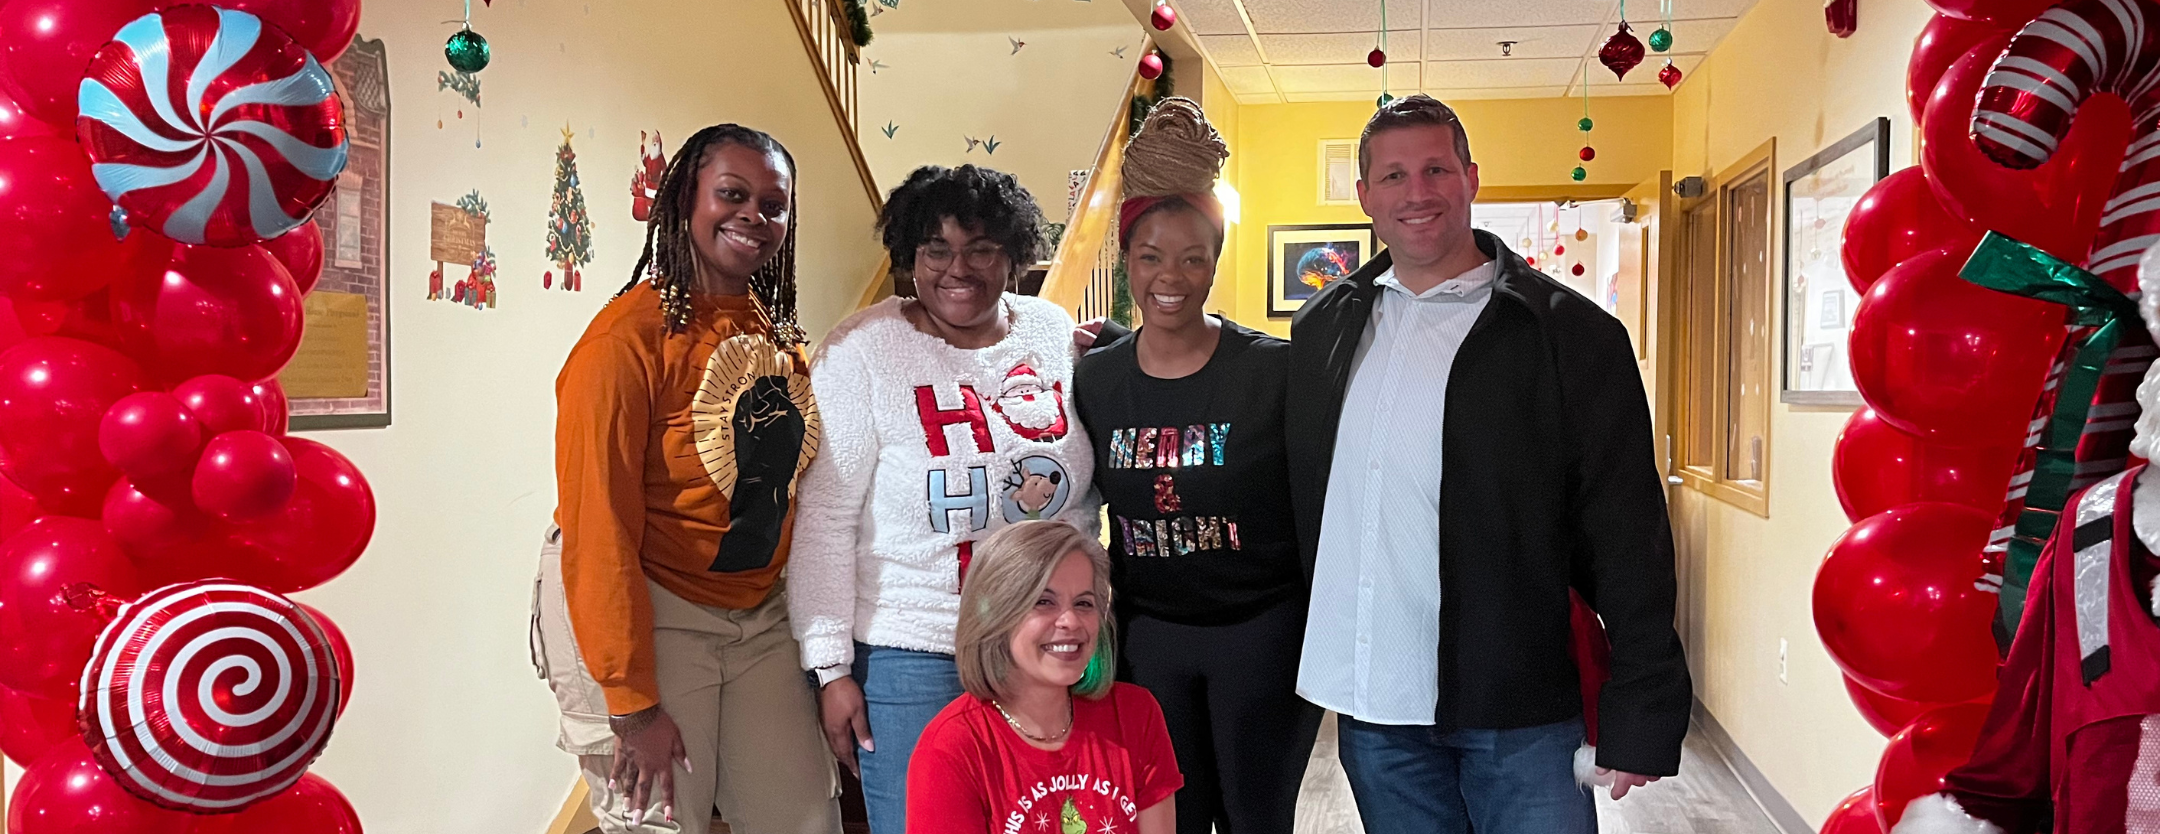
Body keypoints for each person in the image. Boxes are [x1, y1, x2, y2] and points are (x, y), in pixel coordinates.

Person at [1286, 95, 1692, 833]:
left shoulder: (1570, 336)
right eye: (1395, 175)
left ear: (1471, 178)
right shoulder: (1325, 328)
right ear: (1364, 196)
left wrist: (1642, 708)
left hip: (1521, 710)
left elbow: (1628, 532)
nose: (1417, 193)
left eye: (1436, 168)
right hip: (1376, 707)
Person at [536, 123, 840, 834]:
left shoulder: (774, 329)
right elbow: (598, 526)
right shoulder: (623, 342)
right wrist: (631, 701)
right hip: (652, 608)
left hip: (759, 615)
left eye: (774, 204)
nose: (754, 217)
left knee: (803, 818)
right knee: (660, 823)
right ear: (681, 201)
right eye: (732, 194)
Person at [788, 164, 1099, 834]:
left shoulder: (1048, 332)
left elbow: (1076, 503)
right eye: (936, 249)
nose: (959, 268)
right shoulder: (862, 350)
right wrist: (831, 668)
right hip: (914, 657)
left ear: (1013, 256)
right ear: (908, 257)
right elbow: (825, 520)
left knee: (1046, 821)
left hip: (1045, 644)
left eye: (981, 247)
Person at [1072, 97, 1320, 834]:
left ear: (1215, 261)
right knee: (1169, 821)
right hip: (1152, 639)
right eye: (1150, 257)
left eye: (1192, 256)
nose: (1170, 277)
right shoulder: (1096, 379)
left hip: (1264, 634)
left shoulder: (1273, 372)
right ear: (1127, 261)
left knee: (1256, 818)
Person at [905, 520, 1181, 832]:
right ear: (993, 615)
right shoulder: (950, 748)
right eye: (1043, 601)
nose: (1070, 621)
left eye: (1084, 603)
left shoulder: (1136, 713)